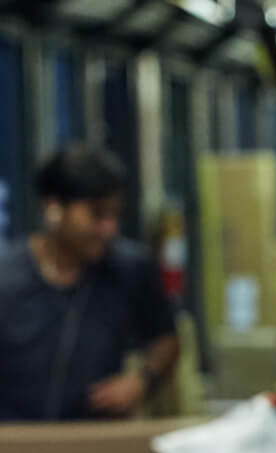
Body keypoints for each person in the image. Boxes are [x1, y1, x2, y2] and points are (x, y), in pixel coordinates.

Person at [0, 144, 178, 422]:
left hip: (96, 442)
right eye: (97, 215)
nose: (109, 228)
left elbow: (166, 339)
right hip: (14, 447)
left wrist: (141, 381)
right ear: (54, 207)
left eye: (115, 215)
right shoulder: (7, 278)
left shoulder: (130, 270)